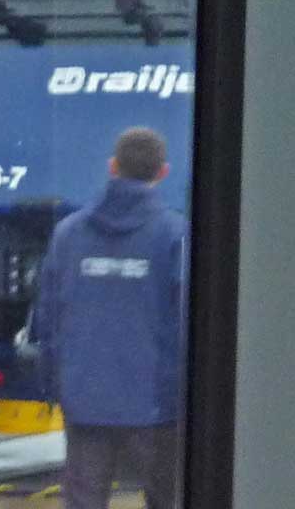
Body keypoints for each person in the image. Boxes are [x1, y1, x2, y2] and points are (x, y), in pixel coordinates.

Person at [33, 127, 187, 509]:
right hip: (156, 405)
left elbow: (47, 319)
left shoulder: (67, 234)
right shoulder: (175, 235)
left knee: (84, 501)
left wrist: (56, 384)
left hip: (85, 399)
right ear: (163, 172)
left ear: (112, 167)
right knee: (167, 498)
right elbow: (187, 322)